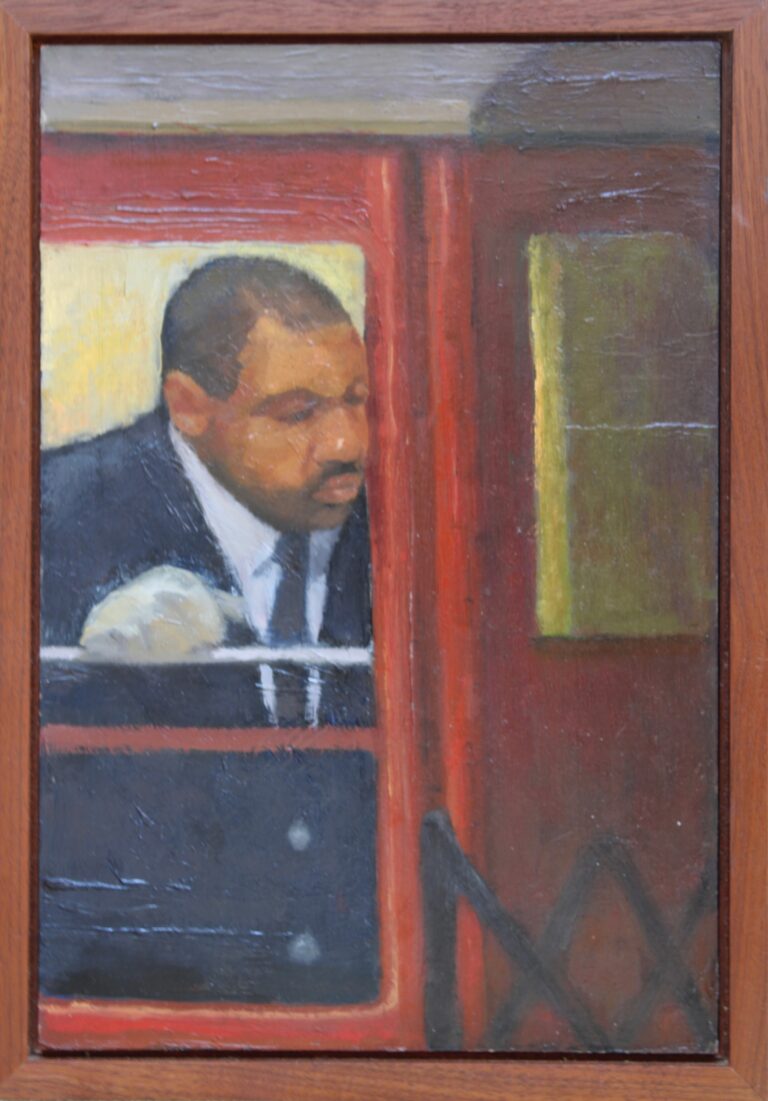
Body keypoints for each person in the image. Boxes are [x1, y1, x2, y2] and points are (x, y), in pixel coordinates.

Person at [40, 256, 375, 726]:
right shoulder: (51, 515)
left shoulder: (405, 507)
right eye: (298, 413)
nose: (348, 443)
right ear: (189, 407)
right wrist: (91, 673)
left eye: (357, 399)